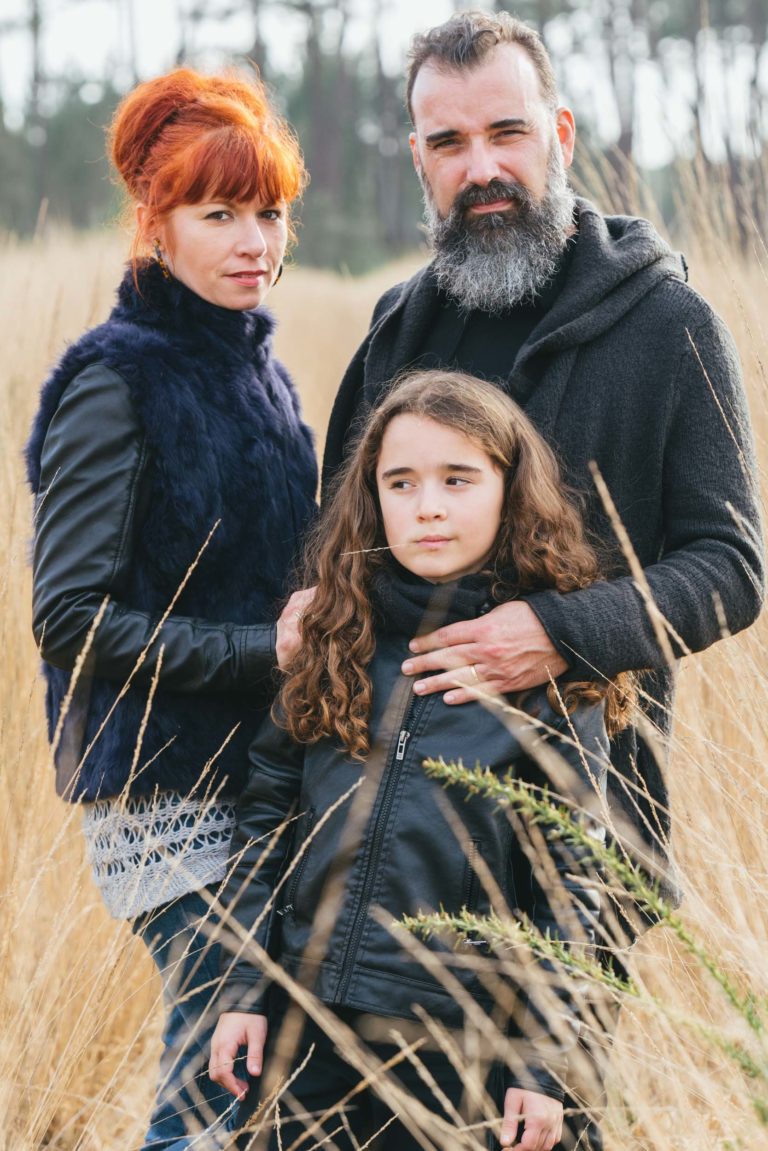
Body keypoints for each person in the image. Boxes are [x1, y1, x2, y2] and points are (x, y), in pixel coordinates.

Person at [322, 10, 764, 911]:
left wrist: (559, 633)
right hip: (384, 848)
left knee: (554, 1061)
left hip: (583, 840)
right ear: (419, 158)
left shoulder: (671, 327)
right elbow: (334, 543)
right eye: (449, 142)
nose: (481, 169)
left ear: (558, 134)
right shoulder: (393, 332)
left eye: (506, 133)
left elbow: (732, 570)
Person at [206, 370, 633, 1151]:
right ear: (372, 499)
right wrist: (241, 987)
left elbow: (571, 888)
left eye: (457, 479)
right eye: (400, 483)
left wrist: (543, 1067)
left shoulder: (544, 676)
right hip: (309, 1028)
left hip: (459, 1044)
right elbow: (265, 823)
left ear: (510, 490)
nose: (427, 505)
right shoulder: (335, 638)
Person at [25, 68, 317, 1150]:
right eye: (219, 214)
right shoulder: (116, 380)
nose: (254, 241)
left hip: (264, 779)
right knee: (214, 1082)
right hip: (167, 797)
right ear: (156, 224)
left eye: (270, 213)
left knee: (262, 1073)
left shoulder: (262, 372)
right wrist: (263, 649)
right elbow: (69, 618)